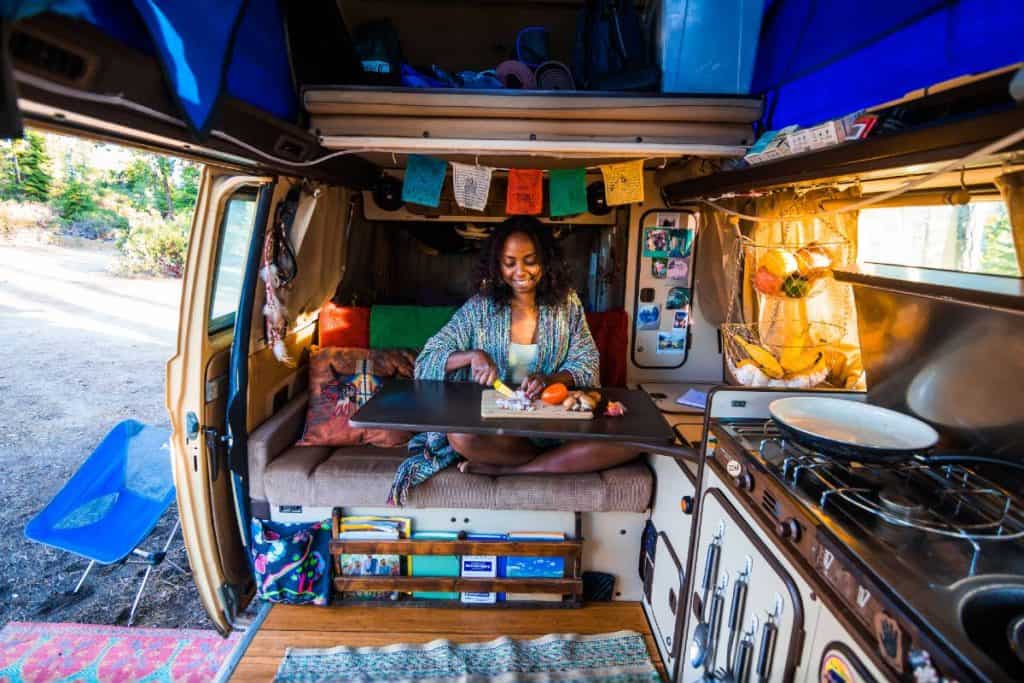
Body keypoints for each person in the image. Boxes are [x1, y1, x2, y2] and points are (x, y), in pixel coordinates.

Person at [415, 216, 638, 476]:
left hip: (556, 428)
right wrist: (471, 356)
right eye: (510, 263)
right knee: (461, 437)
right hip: (499, 432)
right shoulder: (480, 308)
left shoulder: (567, 305)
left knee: (635, 443)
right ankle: (556, 462)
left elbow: (586, 361)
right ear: (497, 266)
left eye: (530, 261)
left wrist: (551, 379)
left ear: (545, 260)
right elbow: (427, 359)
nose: (520, 272)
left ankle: (512, 470)